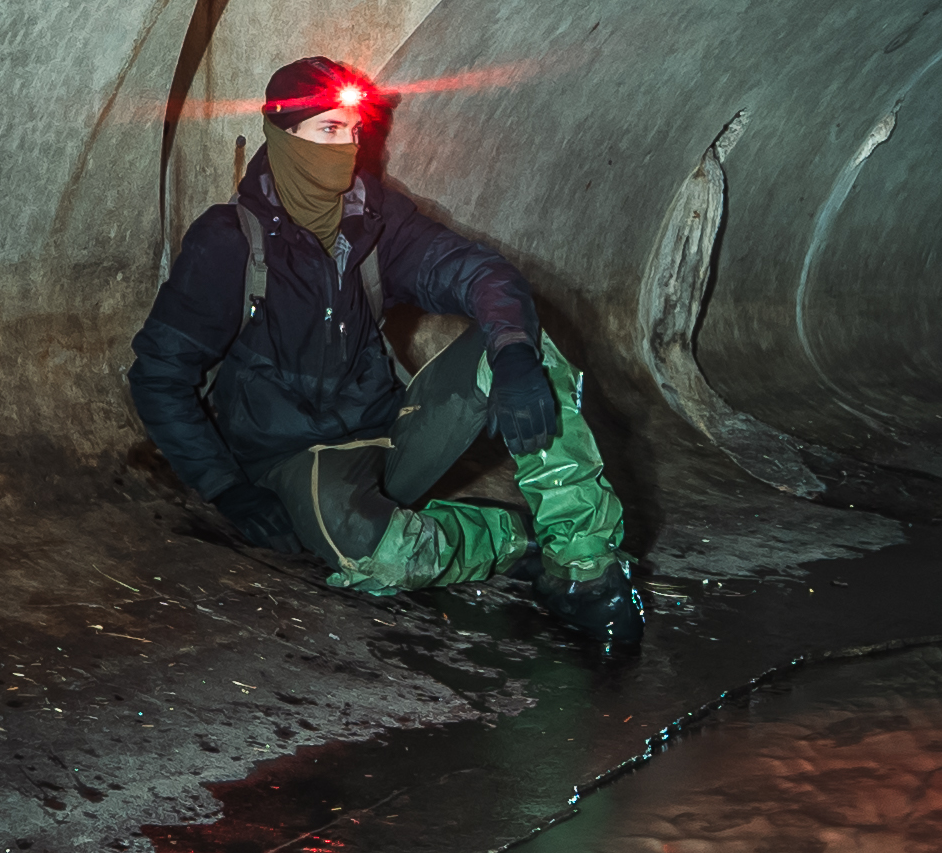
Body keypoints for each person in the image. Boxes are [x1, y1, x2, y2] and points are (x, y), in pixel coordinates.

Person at [129, 55, 651, 661]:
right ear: (283, 135)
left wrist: (511, 356)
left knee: (520, 344)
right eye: (328, 130)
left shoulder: (375, 221)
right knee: (382, 562)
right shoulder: (228, 242)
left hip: (388, 430)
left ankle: (585, 568)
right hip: (293, 457)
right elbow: (160, 376)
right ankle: (517, 540)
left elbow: (480, 273)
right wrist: (225, 488)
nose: (346, 148)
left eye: (352, 132)